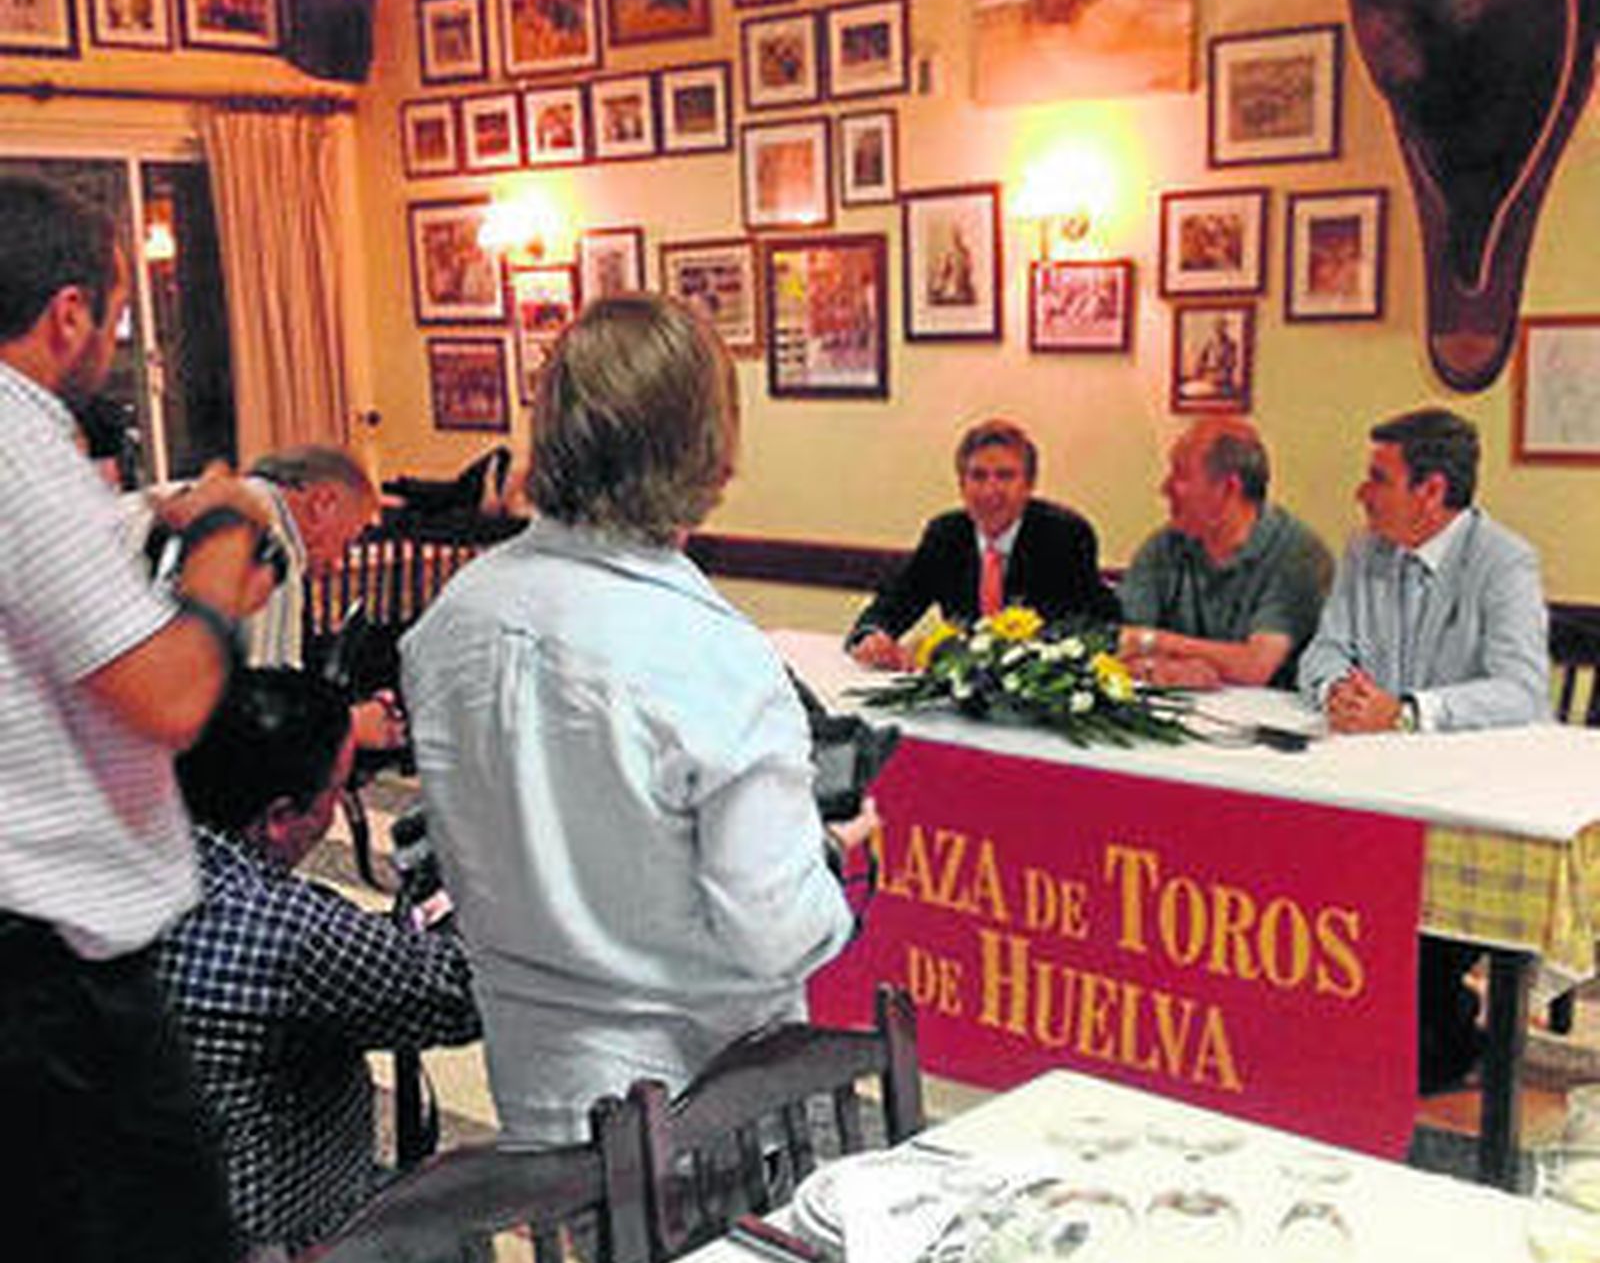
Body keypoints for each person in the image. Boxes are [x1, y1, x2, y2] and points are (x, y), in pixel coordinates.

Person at [402, 294, 872, 1144]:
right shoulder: (712, 657)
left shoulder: (451, 619)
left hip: (533, 1076)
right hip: (698, 1094)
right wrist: (834, 860)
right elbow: (772, 933)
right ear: (710, 451)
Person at [0, 176, 277, 1263]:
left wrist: (153, 514)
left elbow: (46, 573)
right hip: (52, 983)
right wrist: (227, 543)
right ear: (68, 316)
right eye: (110, 315)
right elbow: (165, 691)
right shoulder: (7, 437)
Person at [157, 669, 480, 1249]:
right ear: (281, 816)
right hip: (267, 1251)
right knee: (453, 1246)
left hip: (122, 1218)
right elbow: (463, 995)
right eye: (336, 791)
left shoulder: (115, 854)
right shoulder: (288, 932)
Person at [1299, 407, 1551, 1092]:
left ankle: (1440, 1037)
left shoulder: (1505, 561)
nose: (1361, 492)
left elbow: (1523, 691)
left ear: (1431, 491)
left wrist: (1408, 712)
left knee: (1408, 944)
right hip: (1370, 782)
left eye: (1377, 477)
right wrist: (1334, 693)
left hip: (1472, 793)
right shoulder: (1363, 550)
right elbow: (1325, 648)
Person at [846, 418, 1119, 670]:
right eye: (978, 476)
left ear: (1029, 485)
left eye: (1005, 476)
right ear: (961, 485)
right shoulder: (946, 534)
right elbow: (898, 600)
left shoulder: (1064, 536)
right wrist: (874, 635)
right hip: (962, 695)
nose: (990, 490)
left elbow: (1088, 628)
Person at [1117, 416, 1332, 689]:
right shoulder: (1164, 545)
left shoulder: (1297, 554)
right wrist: (1162, 667)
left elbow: (1256, 666)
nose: (1165, 489)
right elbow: (1117, 641)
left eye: (1181, 475)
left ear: (1229, 488)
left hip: (1267, 721)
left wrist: (1154, 642)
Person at [242, 444, 408, 754]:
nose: (337, 565)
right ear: (322, 504)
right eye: (348, 543)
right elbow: (260, 725)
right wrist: (350, 725)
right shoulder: (270, 544)